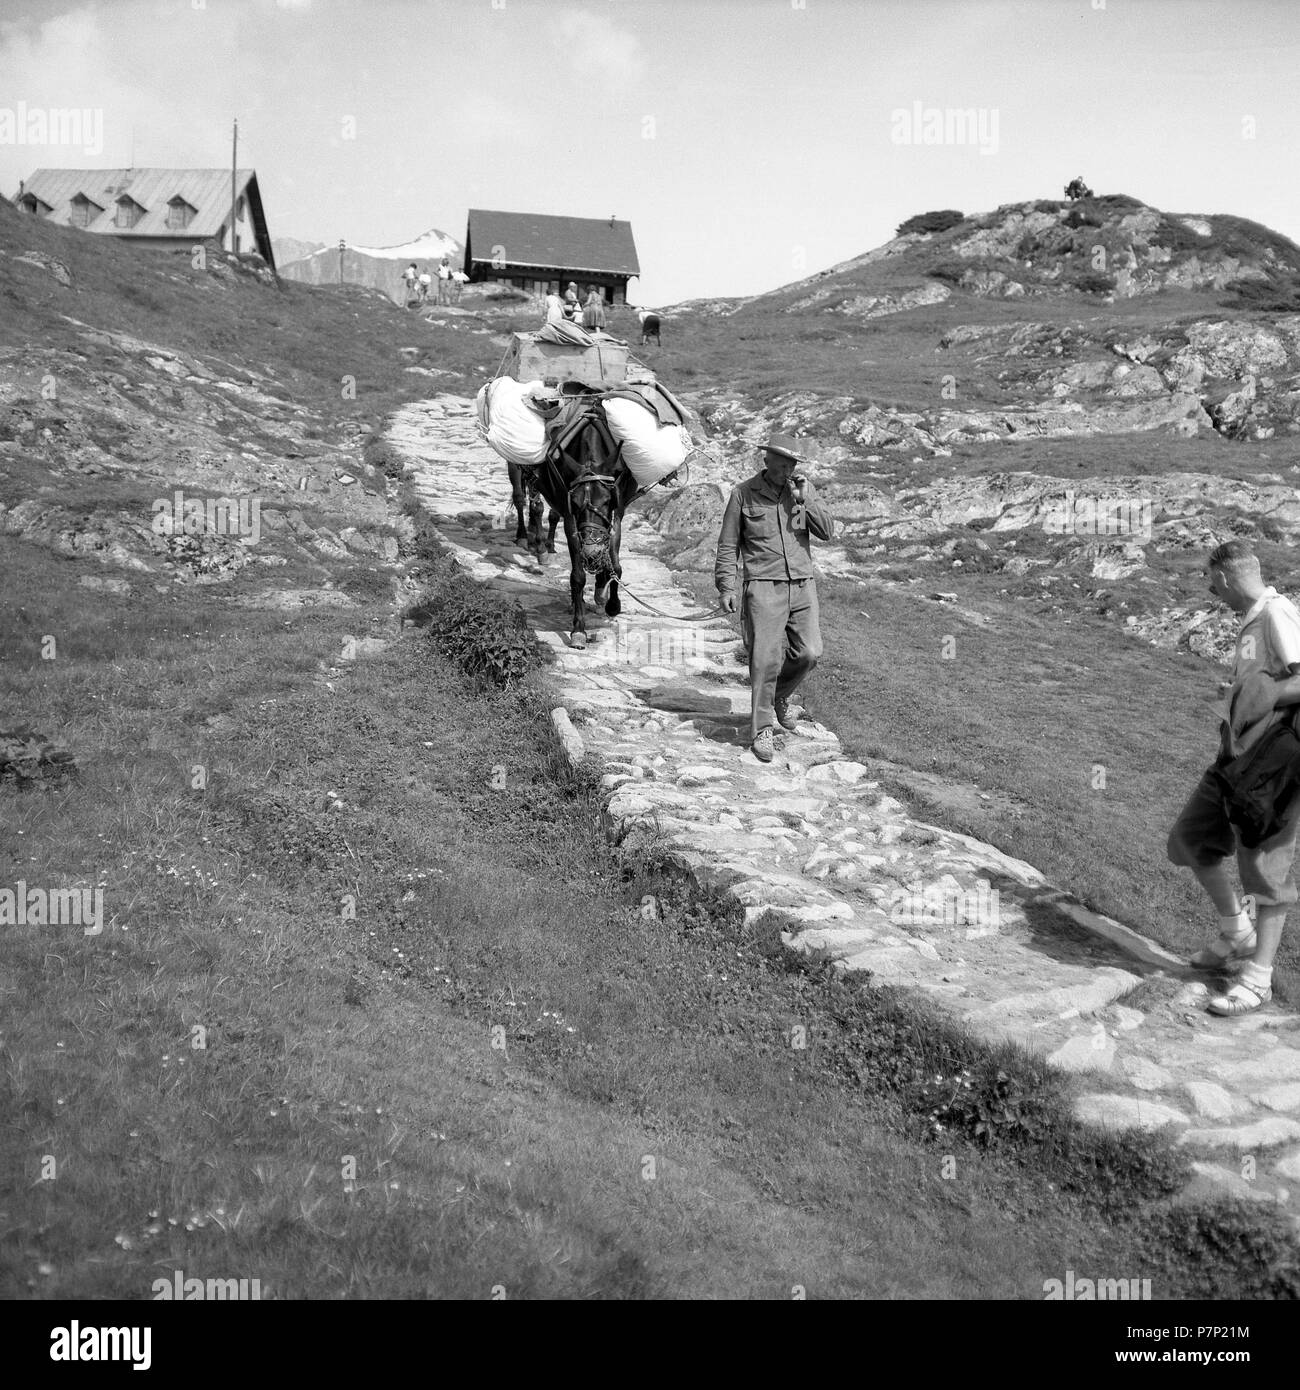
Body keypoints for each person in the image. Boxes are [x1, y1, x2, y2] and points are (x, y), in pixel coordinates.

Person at [1168, 539, 1300, 1015]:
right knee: (1190, 840)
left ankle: (1258, 979)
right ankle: (1235, 933)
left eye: (1211, 582)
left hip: (1272, 765)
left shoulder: (1277, 614)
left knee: (1266, 872)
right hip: (1235, 757)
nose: (1211, 590)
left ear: (1224, 578)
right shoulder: (1254, 618)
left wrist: (1258, 697)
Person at [713, 432, 836, 763]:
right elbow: (727, 545)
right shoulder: (743, 495)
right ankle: (762, 729)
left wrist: (805, 500)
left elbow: (828, 531)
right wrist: (726, 586)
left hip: (802, 582)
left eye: (792, 465)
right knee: (765, 660)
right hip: (763, 585)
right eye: (782, 464)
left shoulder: (800, 493)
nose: (788, 471)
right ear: (767, 461)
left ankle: (780, 695)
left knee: (810, 652)